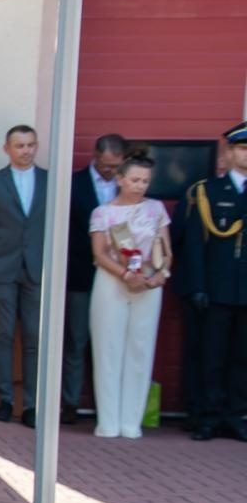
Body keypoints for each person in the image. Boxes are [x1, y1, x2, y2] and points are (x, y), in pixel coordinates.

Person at [86, 155, 171, 440]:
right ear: (120, 179)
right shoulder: (103, 213)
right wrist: (125, 275)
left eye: (145, 181)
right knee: (108, 350)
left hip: (147, 283)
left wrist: (161, 274)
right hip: (112, 282)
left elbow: (165, 250)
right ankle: (108, 421)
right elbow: (99, 254)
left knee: (140, 349)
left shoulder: (156, 209)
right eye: (135, 180)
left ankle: (131, 421)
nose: (140, 186)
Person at [0, 124, 48, 427]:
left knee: (34, 338)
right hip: (2, 270)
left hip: (37, 271)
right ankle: (4, 399)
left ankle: (32, 404)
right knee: (2, 336)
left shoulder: (49, 181)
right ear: (7, 149)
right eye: (19, 146)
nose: (26, 151)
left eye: (30, 145)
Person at [181, 121, 247, 442]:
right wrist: (198, 286)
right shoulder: (207, 192)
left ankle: (236, 416)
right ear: (230, 153)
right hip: (216, 290)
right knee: (212, 357)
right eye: (243, 149)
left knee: (242, 359)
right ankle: (207, 416)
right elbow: (194, 246)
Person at [65, 134, 127, 423]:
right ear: (95, 156)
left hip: (115, 276)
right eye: (104, 165)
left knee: (109, 341)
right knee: (76, 339)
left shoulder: (126, 186)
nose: (109, 172)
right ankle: (70, 403)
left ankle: (107, 405)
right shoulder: (73, 183)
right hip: (80, 274)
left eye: (115, 166)